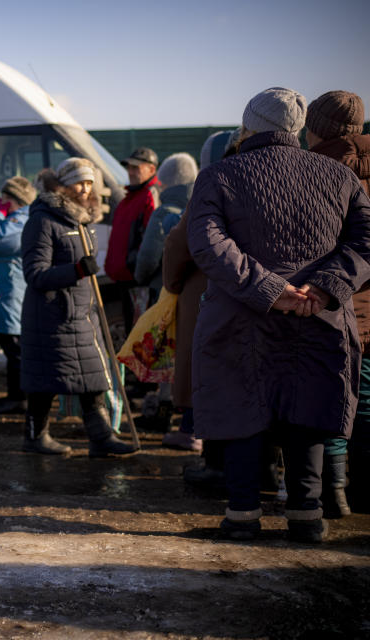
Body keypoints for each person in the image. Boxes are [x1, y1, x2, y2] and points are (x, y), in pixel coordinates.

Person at [187, 88, 370, 543]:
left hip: (240, 315)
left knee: (243, 405)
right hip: (319, 314)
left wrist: (268, 289)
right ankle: (307, 514)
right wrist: (323, 287)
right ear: (298, 128)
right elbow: (366, 243)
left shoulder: (217, 175)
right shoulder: (338, 176)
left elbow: (207, 244)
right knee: (307, 409)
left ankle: (243, 514)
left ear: (249, 125)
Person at [20, 158, 137, 457]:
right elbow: (35, 274)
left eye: (89, 182)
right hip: (51, 316)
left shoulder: (83, 220)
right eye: (78, 182)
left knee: (93, 377)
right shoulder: (43, 221)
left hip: (82, 314)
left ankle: (101, 437)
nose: (85, 189)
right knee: (46, 379)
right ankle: (36, 436)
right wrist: (76, 270)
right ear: (63, 185)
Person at [304, 90, 370, 516]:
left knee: (330, 396)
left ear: (313, 130)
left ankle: (336, 492)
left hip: (335, 302)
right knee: (365, 396)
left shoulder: (318, 174)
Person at [163, 130, 239, 485]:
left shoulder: (209, 187)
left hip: (208, 291)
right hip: (271, 296)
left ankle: (216, 463)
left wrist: (173, 284)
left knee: (208, 375)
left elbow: (181, 242)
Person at [133, 152, 199, 434]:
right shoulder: (198, 208)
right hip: (193, 295)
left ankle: (163, 410)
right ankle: (187, 414)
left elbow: (148, 257)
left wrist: (140, 277)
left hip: (164, 293)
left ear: (166, 181)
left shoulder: (163, 214)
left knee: (163, 351)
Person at [0, 176, 36, 415]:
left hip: (10, 293)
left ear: (15, 200)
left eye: (5, 198)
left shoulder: (21, 221)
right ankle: (16, 394)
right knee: (13, 347)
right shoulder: (14, 219)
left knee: (16, 348)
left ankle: (20, 397)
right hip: (3, 291)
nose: (0, 202)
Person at [103, 147, 161, 334]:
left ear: (152, 170)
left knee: (141, 337)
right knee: (133, 335)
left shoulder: (150, 195)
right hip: (125, 279)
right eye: (129, 168)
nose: (130, 172)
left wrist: (136, 268)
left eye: (136, 168)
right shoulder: (129, 197)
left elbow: (153, 239)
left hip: (138, 281)